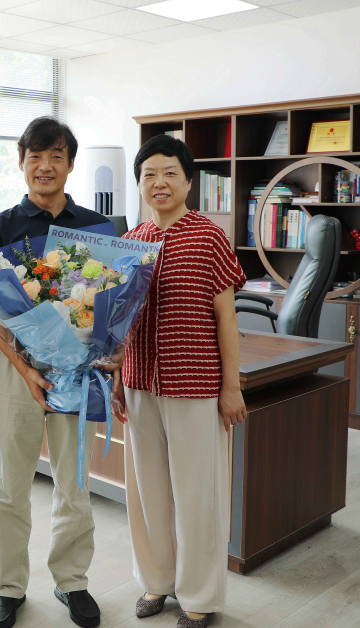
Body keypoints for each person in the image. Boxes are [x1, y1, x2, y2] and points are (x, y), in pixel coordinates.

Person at [0, 117, 110, 628]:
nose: (45, 165)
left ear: (70, 164)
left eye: (56, 155)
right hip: (19, 370)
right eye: (35, 156)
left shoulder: (98, 228)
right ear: (21, 162)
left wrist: (110, 352)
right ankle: (8, 586)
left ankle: (71, 580)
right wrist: (24, 367)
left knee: (73, 483)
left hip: (78, 368)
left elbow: (112, 300)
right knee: (12, 483)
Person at [112, 135, 248, 628]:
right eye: (149, 174)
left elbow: (227, 319)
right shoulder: (132, 240)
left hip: (194, 384)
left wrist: (231, 387)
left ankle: (199, 595)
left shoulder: (209, 237)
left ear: (189, 182)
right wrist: (118, 378)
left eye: (170, 172)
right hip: (139, 382)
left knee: (196, 494)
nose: (159, 182)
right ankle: (157, 580)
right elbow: (120, 320)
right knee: (148, 491)